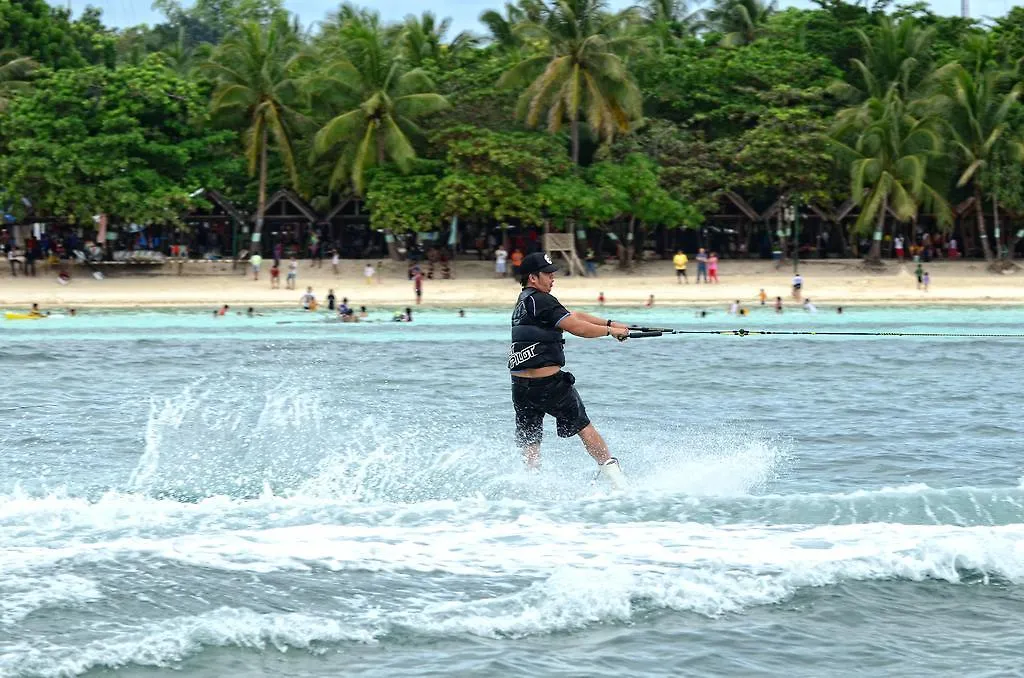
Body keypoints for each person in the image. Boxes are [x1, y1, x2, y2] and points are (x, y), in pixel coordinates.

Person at [508, 251, 629, 488]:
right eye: (548, 274)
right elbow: (577, 327)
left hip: (521, 388)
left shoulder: (525, 301)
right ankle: (618, 482)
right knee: (584, 426)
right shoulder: (542, 300)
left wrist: (610, 323)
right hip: (548, 385)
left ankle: (531, 486)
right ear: (533, 277)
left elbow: (575, 315)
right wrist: (610, 332)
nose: (552, 278)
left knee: (531, 441)